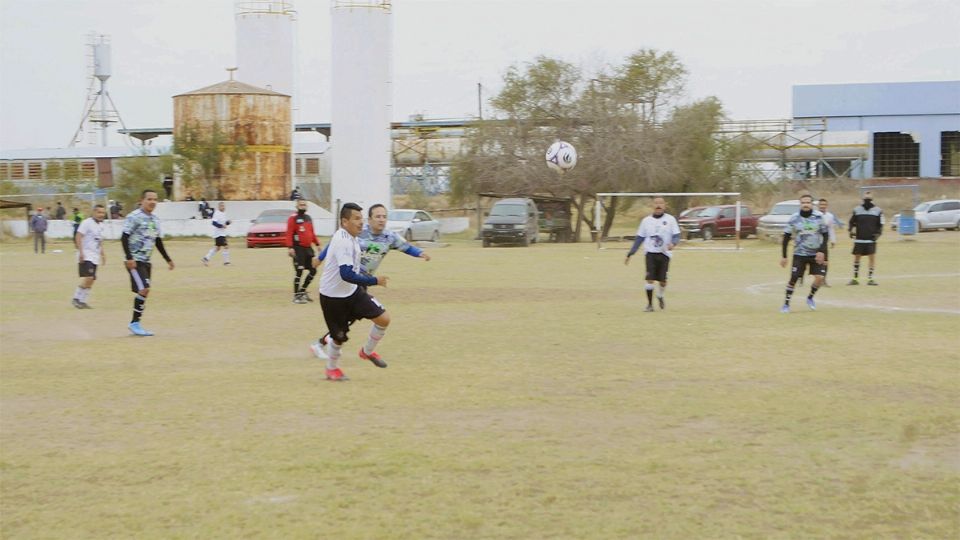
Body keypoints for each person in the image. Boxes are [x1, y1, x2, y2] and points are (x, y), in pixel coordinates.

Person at [311, 203, 431, 354]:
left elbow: (406, 247)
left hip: (362, 282)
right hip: (349, 281)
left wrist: (420, 253)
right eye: (377, 216)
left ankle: (324, 344)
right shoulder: (357, 231)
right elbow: (333, 245)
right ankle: (324, 345)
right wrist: (320, 258)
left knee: (349, 319)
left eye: (384, 217)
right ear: (369, 219)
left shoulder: (389, 237)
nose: (381, 220)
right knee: (346, 319)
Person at [311, 202, 390, 381]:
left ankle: (367, 352)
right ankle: (331, 369)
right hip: (332, 298)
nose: (361, 223)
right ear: (344, 222)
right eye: (356, 219)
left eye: (361, 219)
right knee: (338, 338)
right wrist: (374, 280)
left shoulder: (351, 236)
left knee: (384, 318)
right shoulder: (343, 241)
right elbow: (346, 274)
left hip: (352, 292)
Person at [122, 189, 175, 336]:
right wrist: (129, 257)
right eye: (149, 199)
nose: (152, 202)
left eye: (155, 199)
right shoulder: (134, 217)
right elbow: (124, 237)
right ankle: (134, 323)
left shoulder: (155, 220)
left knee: (145, 290)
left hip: (146, 261)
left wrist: (168, 259)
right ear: (142, 200)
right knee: (144, 289)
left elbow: (157, 241)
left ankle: (136, 323)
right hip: (134, 260)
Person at [624, 197, 681, 312]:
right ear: (652, 205)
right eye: (656, 203)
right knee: (649, 279)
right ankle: (649, 305)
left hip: (665, 254)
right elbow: (639, 238)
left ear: (665, 205)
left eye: (661, 203)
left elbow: (676, 235)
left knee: (663, 281)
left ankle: (660, 295)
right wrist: (631, 253)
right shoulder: (646, 221)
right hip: (650, 254)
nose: (658, 205)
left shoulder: (670, 220)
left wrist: (673, 243)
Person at [779, 194, 829, 313]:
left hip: (815, 253)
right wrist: (784, 256)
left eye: (808, 202)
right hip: (799, 254)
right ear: (800, 204)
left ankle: (810, 297)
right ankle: (786, 304)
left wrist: (822, 251)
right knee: (794, 278)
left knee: (820, 278)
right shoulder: (794, 218)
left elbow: (825, 234)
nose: (806, 204)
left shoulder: (818, 217)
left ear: (812, 204)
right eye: (803, 203)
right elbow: (786, 237)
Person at [286, 199, 321, 303]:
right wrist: (290, 247)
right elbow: (289, 233)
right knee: (299, 271)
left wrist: (317, 244)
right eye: (301, 205)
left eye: (304, 205)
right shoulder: (293, 218)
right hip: (298, 249)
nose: (303, 206)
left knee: (313, 270)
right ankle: (296, 296)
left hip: (308, 249)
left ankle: (302, 292)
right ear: (297, 206)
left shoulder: (308, 218)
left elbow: (312, 233)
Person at [72, 204, 106, 309]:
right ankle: (76, 298)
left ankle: (82, 301)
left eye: (103, 213)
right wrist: (81, 252)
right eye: (99, 212)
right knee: (89, 277)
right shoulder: (86, 223)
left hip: (94, 256)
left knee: (92, 279)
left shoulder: (101, 225)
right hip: (86, 255)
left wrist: (103, 254)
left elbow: (99, 241)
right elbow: (78, 236)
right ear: (94, 212)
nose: (101, 215)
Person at [848, 190, 883, 286]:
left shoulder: (878, 211)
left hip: (870, 240)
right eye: (866, 198)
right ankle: (855, 278)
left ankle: (870, 279)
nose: (867, 200)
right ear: (863, 199)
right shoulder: (857, 210)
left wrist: (878, 234)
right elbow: (851, 222)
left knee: (871, 258)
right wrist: (850, 230)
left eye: (869, 199)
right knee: (856, 258)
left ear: (872, 199)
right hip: (859, 239)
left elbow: (881, 225)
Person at [817, 198, 839, 287]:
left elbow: (831, 229)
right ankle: (801, 278)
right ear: (818, 206)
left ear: (826, 206)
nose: (822, 206)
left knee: (825, 261)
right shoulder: (814, 215)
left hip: (824, 242)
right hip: (814, 242)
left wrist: (833, 240)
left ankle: (823, 280)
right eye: (821, 204)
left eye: (824, 205)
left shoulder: (830, 216)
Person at [201, 202, 231, 266]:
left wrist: (228, 222)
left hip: (222, 233)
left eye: (224, 206)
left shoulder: (224, 213)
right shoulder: (217, 213)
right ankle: (226, 262)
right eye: (222, 206)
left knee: (217, 248)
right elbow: (214, 223)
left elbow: (224, 223)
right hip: (219, 234)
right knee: (226, 246)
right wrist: (221, 226)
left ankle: (206, 258)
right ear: (219, 207)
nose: (223, 207)